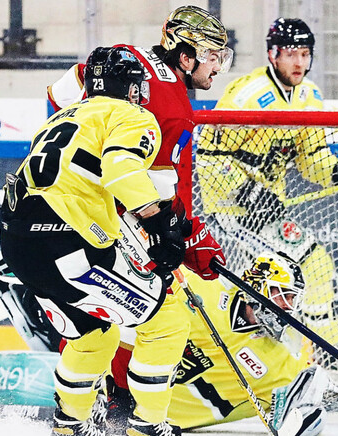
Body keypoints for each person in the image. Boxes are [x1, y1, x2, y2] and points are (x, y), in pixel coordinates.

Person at [0, 46, 204, 436]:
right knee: (167, 319)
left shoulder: (63, 116)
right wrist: (160, 224)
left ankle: (67, 426)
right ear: (128, 87)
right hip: (66, 240)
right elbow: (121, 170)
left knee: (93, 334)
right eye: (138, 86)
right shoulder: (132, 116)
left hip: (16, 241)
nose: (141, 93)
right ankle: (146, 428)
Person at [0, 252, 338, 436]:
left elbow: (300, 423)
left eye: (292, 301)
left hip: (152, 423)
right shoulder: (205, 289)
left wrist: (319, 391)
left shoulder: (279, 361)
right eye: (281, 296)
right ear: (256, 285)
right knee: (93, 334)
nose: (287, 309)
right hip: (113, 386)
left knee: (48, 408)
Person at [196, 18, 338, 370]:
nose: (299, 62)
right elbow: (208, 158)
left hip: (268, 209)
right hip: (233, 211)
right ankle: (322, 356)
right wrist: (245, 192)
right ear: (272, 55)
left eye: (305, 53)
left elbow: (312, 159)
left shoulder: (310, 96)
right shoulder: (248, 96)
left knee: (303, 272)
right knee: (308, 266)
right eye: (291, 54)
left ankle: (309, 358)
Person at [46, 5, 231, 285]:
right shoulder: (176, 111)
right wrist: (187, 232)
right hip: (97, 213)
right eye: (212, 57)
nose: (217, 67)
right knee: (163, 312)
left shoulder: (123, 57)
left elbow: (59, 95)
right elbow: (155, 194)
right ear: (185, 57)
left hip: (54, 190)